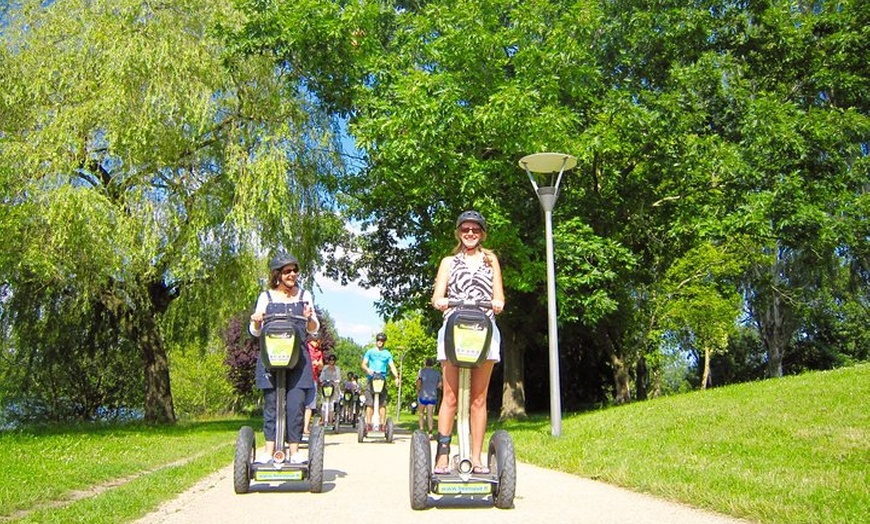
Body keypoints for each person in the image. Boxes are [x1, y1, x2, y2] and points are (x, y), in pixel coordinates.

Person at [431, 210, 505, 474]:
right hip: (455, 328)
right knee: (450, 396)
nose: (470, 234)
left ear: (482, 233)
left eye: (475, 230)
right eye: (465, 229)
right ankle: (442, 454)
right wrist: (440, 301)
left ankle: (475, 457)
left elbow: (499, 296)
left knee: (478, 398)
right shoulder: (448, 262)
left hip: (483, 330)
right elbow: (438, 295)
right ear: (459, 233)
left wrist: (497, 303)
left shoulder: (490, 260)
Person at [249, 252, 320, 464]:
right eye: (287, 271)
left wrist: (309, 319)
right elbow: (254, 331)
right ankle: (269, 452)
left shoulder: (305, 296)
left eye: (295, 270)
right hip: (271, 357)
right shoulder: (266, 297)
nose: (292, 274)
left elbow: (314, 330)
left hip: (298, 358)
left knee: (296, 405)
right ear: (278, 274)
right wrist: (257, 320)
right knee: (271, 404)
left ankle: (294, 451)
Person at [360, 332, 400, 432]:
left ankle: (382, 425)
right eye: (378, 340)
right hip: (371, 379)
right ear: (376, 341)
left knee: (382, 403)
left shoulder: (387, 353)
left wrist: (396, 377)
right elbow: (363, 364)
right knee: (370, 403)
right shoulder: (370, 352)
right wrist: (368, 369)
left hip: (382, 379)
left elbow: (392, 366)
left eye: (382, 341)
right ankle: (368, 424)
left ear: (384, 342)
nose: (380, 342)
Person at [303, 332, 324, 435]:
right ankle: (298, 427)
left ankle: (306, 428)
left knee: (310, 405)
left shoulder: (319, 352)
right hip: (303, 378)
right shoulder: (305, 348)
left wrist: (318, 363)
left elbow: (321, 366)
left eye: (317, 341)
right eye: (314, 341)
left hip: (313, 379)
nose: (315, 343)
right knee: (300, 404)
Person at [416, 357, 442, 436]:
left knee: (421, 413)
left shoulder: (421, 371)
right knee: (430, 415)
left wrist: (418, 390)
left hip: (423, 395)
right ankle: (430, 432)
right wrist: (434, 387)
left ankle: (421, 429)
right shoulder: (437, 373)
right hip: (432, 396)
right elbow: (440, 384)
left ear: (425, 363)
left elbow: (419, 382)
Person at [319, 353, 342, 425]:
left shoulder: (337, 368)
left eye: (333, 360)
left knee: (331, 404)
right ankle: (323, 420)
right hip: (325, 387)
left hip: (333, 387)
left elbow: (338, 378)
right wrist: (321, 381)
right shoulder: (325, 367)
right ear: (328, 360)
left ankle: (331, 421)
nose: (332, 361)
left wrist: (336, 383)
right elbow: (321, 377)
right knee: (324, 403)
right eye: (330, 360)